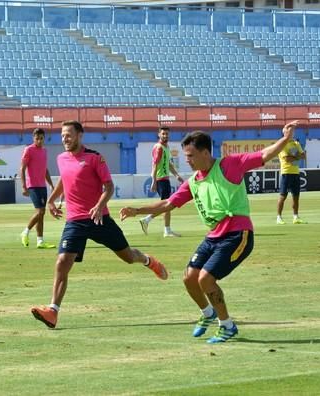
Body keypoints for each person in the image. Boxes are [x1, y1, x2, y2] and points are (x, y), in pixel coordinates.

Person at [119, 120, 300, 343]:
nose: (187, 160)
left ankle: (227, 325)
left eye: (190, 155)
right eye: (186, 156)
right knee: (189, 278)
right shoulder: (193, 182)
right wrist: (137, 210)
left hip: (238, 234)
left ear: (205, 153)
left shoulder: (229, 165)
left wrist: (285, 138)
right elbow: (168, 204)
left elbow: (263, 155)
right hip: (213, 236)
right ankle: (208, 313)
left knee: (205, 278)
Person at [30, 121, 168, 329]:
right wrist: (51, 199)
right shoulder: (61, 158)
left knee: (128, 257)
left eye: (68, 134)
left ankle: (148, 261)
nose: (64, 138)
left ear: (79, 136)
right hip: (75, 221)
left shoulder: (94, 158)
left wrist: (99, 205)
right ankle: (53, 311)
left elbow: (109, 186)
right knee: (62, 262)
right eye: (62, 135)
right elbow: (65, 181)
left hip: (99, 218)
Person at [139, 126, 184, 237]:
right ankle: (157, 225)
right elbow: (154, 165)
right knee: (167, 205)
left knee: (167, 205)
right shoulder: (159, 148)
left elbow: (168, 163)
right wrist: (154, 181)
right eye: (163, 134)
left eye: (167, 134)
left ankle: (154, 223)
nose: (165, 136)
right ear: (159, 134)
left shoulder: (166, 147)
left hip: (165, 179)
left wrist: (176, 175)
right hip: (161, 180)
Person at [20, 128, 56, 249]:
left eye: (41, 138)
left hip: (42, 186)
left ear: (44, 138)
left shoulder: (44, 151)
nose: (39, 141)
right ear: (33, 138)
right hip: (33, 186)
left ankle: (40, 241)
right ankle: (25, 232)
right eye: (37, 138)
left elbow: (45, 169)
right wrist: (24, 186)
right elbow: (22, 169)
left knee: (41, 213)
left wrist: (50, 184)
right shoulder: (28, 150)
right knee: (40, 212)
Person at [276, 133, 307, 225]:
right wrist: (297, 156)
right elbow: (287, 159)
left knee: (296, 196)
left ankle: (296, 217)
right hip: (286, 173)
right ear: (285, 134)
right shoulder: (282, 144)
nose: (292, 134)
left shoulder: (296, 143)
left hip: (295, 173)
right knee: (283, 196)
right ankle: (279, 217)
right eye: (289, 133)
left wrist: (294, 156)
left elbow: (303, 156)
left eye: (292, 133)